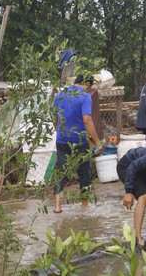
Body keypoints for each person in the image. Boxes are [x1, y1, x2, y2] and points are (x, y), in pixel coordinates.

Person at [52, 74, 102, 213]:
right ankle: (84, 205)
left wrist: (60, 131)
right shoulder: (85, 96)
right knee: (84, 172)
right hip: (79, 141)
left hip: (62, 139)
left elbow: (55, 118)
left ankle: (57, 206)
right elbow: (87, 120)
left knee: (60, 172)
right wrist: (97, 142)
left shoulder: (60, 94)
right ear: (89, 85)